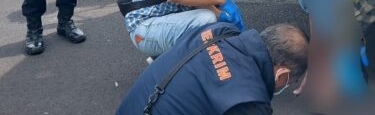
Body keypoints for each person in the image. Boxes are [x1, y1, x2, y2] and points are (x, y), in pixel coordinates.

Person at [116, 22, 309, 115]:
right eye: (291, 81)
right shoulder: (250, 102)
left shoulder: (220, 32)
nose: (288, 84)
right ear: (282, 74)